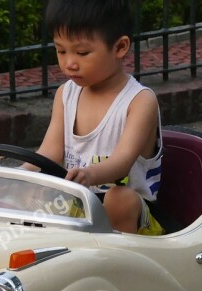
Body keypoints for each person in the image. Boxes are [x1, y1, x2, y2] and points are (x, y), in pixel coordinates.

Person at [32, 0, 166, 235]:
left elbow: (121, 162)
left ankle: (120, 266)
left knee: (118, 198)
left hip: (136, 220)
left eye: (82, 52)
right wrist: (17, 175)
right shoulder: (66, 94)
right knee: (36, 192)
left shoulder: (139, 101)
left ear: (120, 47)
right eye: (61, 51)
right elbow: (49, 153)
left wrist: (89, 174)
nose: (69, 63)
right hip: (81, 207)